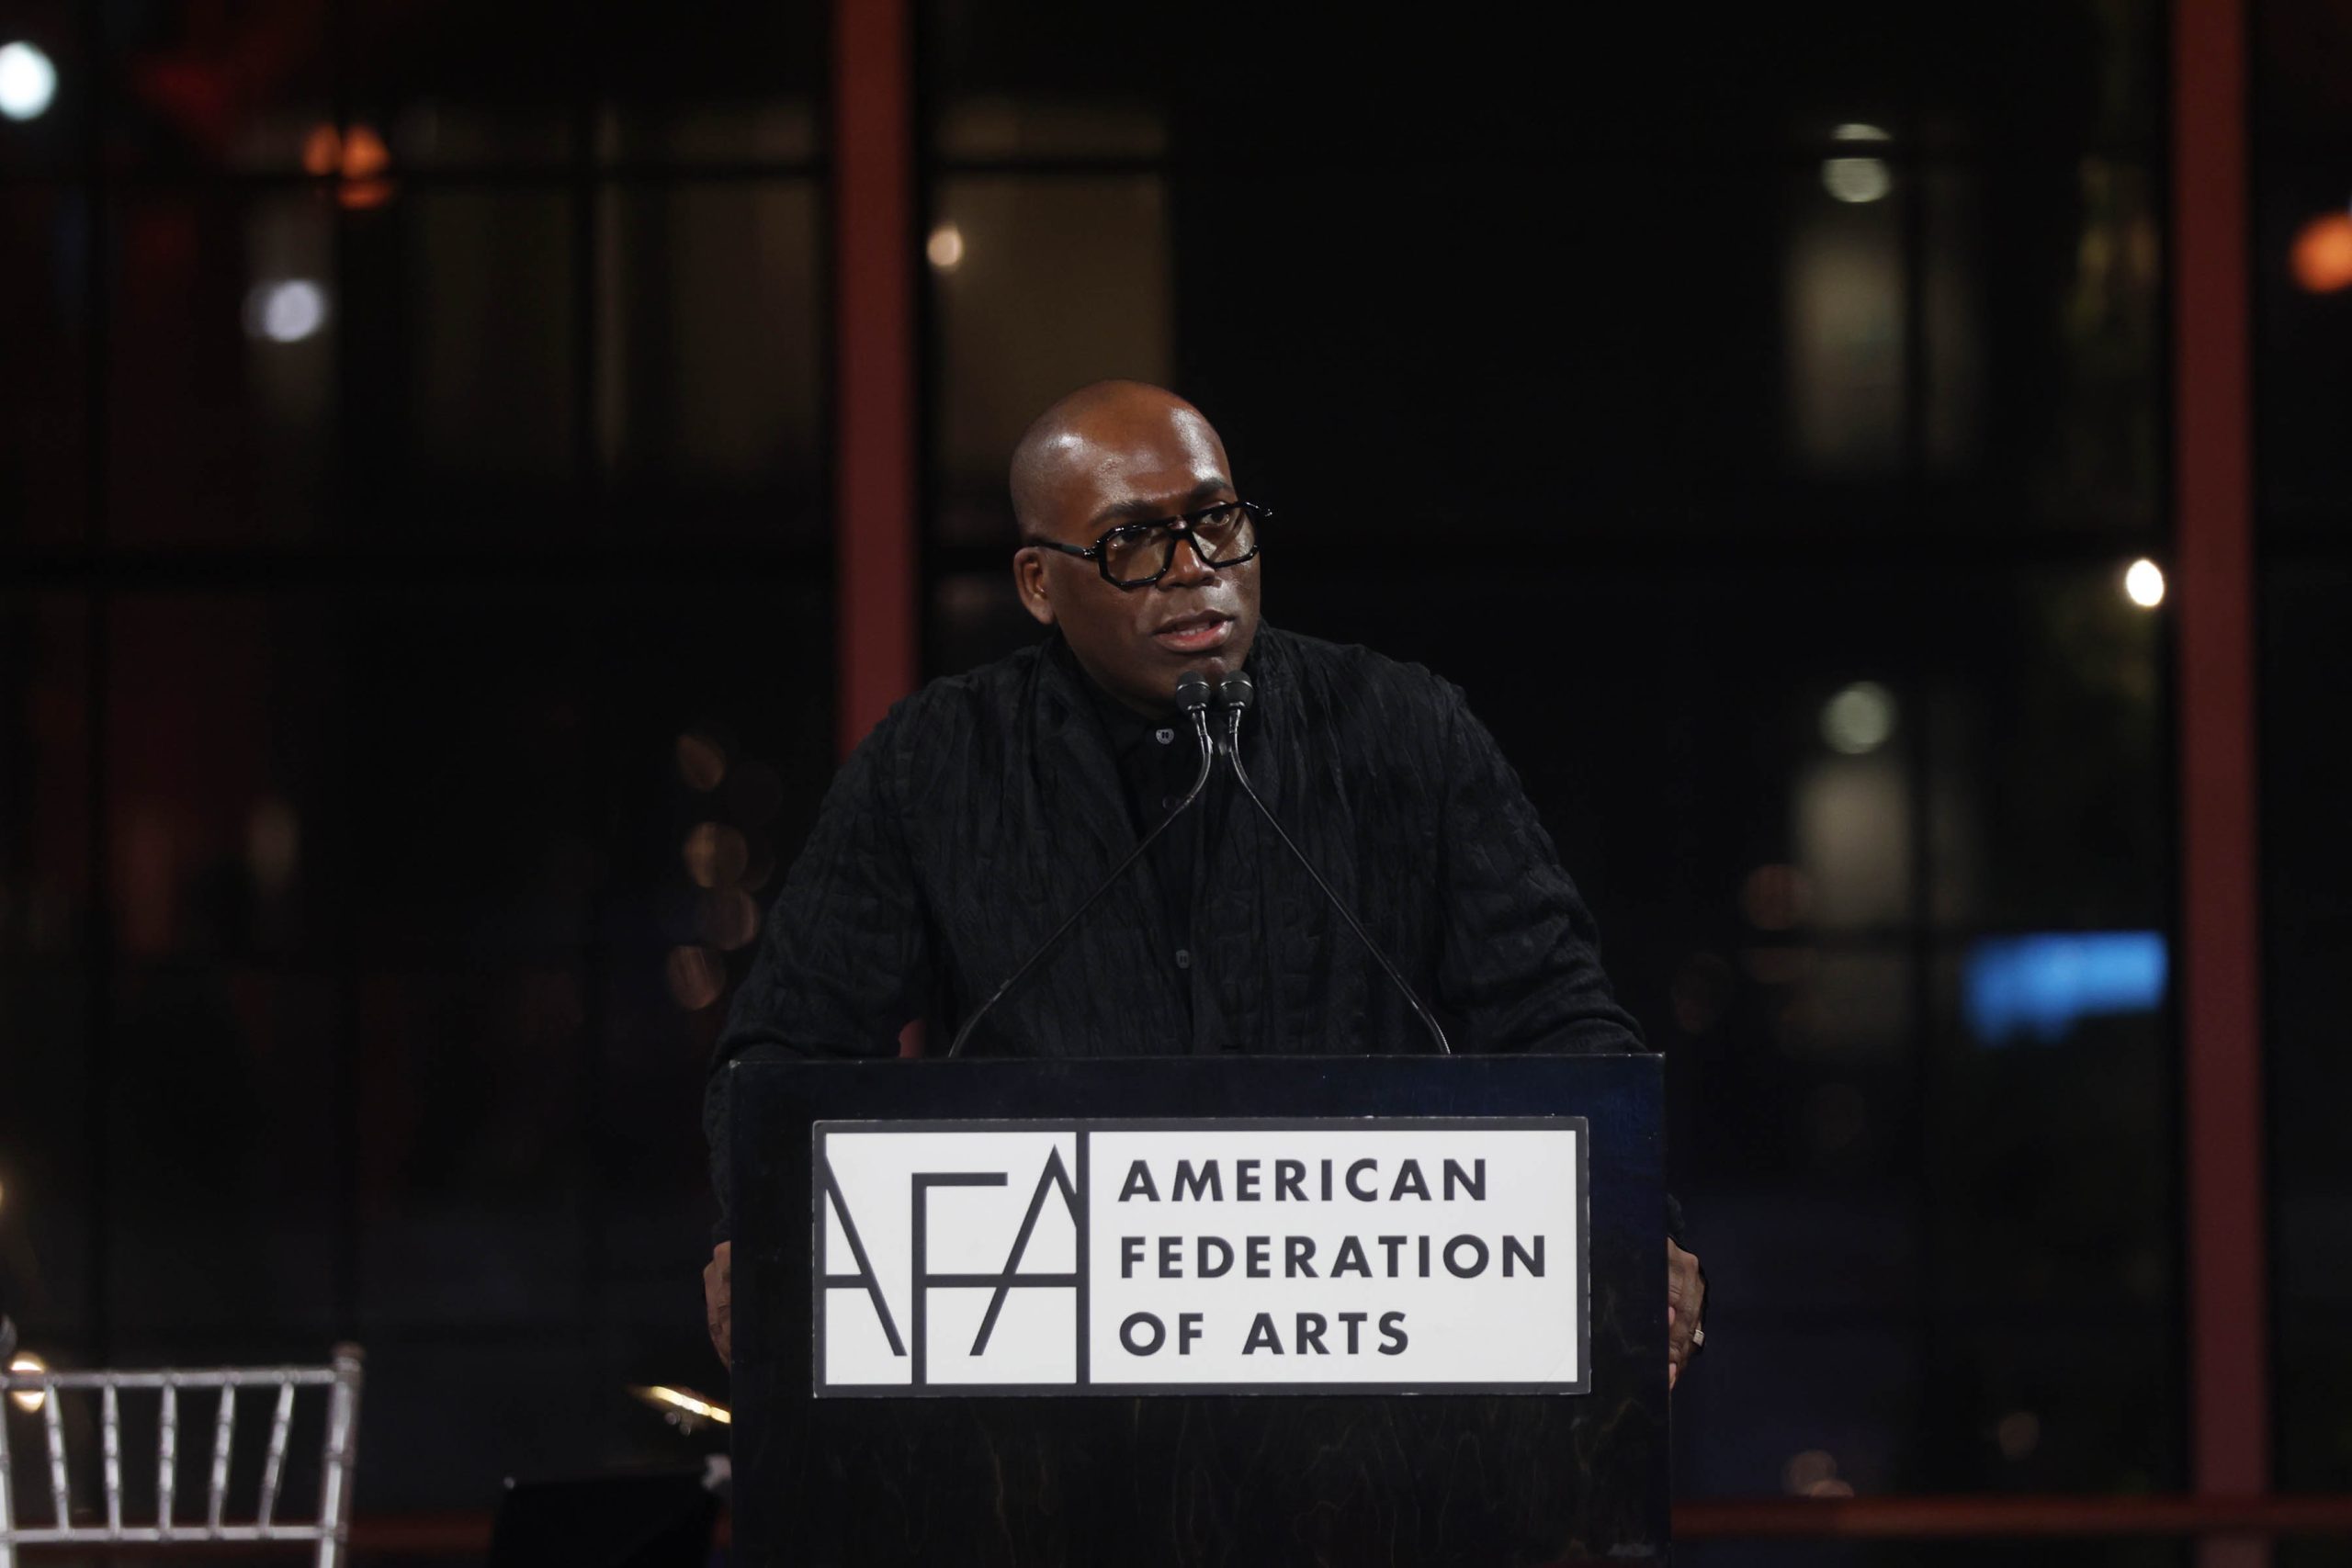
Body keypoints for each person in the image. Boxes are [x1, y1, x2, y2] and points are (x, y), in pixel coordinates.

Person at [702, 380, 1705, 1382]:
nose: (1193, 569)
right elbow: (792, 1046)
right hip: (1047, 1381)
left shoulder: (1405, 732)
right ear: (1038, 584)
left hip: (1361, 1371)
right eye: (1132, 540)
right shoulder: (936, 763)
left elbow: (1553, 1016)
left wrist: (1631, 1222)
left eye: (1217, 520)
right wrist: (767, 1222)